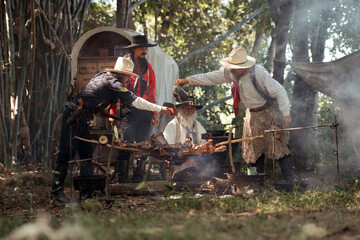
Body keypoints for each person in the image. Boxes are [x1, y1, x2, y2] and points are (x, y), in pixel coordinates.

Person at [51, 57, 173, 204]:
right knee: (65, 153)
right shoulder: (113, 82)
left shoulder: (104, 78)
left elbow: (93, 99)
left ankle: (86, 192)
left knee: (86, 152)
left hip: (80, 118)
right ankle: (56, 193)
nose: (129, 79)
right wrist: (160, 109)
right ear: (121, 74)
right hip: (73, 116)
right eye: (128, 76)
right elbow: (135, 100)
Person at [176, 46, 294, 181]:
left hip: (269, 112)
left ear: (245, 66)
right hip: (252, 116)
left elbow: (280, 91)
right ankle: (256, 184)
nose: (231, 69)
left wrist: (285, 113)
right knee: (253, 151)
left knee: (278, 148)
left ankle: (291, 182)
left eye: (235, 67)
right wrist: (187, 80)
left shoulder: (259, 74)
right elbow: (211, 77)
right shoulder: (232, 72)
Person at [111, 35, 158, 183]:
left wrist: (154, 113)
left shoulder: (148, 67)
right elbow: (114, 88)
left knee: (144, 145)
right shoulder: (125, 64)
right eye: (141, 48)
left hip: (144, 111)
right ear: (134, 49)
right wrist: (112, 112)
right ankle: (122, 179)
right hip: (129, 110)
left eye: (145, 48)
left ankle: (138, 178)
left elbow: (151, 92)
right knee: (125, 143)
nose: (144, 50)